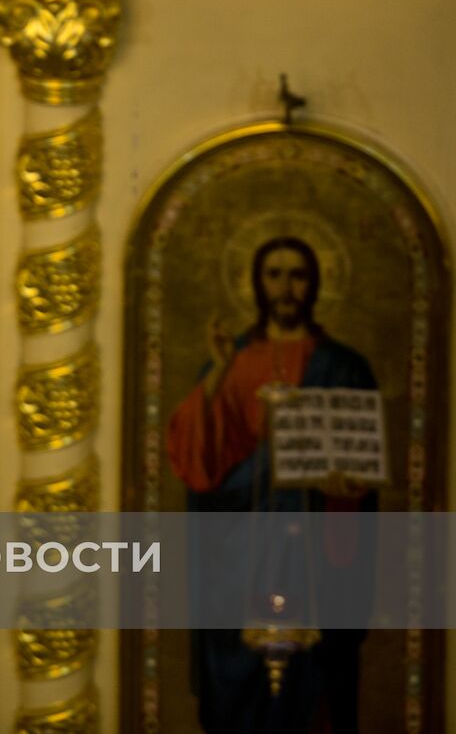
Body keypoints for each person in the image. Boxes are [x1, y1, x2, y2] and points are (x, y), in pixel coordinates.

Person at [167, 236, 378, 734]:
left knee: (316, 689)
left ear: (315, 284)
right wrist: (218, 375)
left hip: (317, 555)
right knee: (240, 696)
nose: (286, 288)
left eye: (297, 275)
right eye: (275, 275)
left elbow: (361, 470)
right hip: (238, 556)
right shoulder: (233, 360)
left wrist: (335, 485)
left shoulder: (344, 366)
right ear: (259, 284)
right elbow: (198, 465)